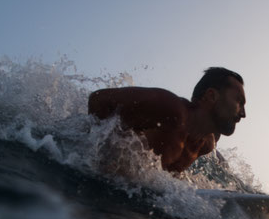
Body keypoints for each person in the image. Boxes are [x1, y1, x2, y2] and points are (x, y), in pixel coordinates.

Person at [87, 67, 246, 172]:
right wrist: (102, 150)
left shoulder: (205, 145)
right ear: (212, 96)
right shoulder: (170, 108)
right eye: (239, 101)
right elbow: (98, 99)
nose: (243, 113)